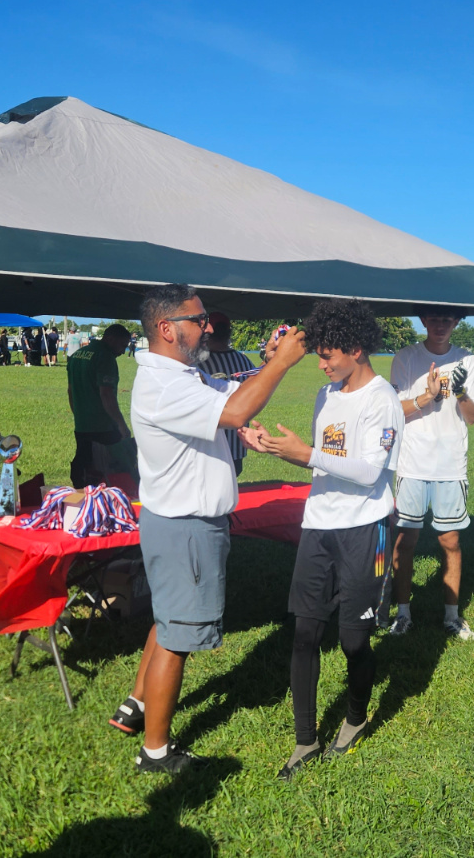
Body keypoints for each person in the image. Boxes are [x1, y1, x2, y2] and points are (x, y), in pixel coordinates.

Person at [110, 284, 307, 774]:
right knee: (178, 637)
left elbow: (229, 396)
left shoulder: (178, 374)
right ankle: (156, 752)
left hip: (176, 523)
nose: (208, 327)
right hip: (187, 528)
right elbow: (236, 410)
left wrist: (265, 366)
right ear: (166, 328)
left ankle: (135, 705)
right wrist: (282, 363)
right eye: (198, 320)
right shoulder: (166, 386)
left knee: (167, 618)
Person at [240, 299, 404, 779]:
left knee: (353, 640)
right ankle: (305, 740)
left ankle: (355, 717)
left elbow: (369, 471)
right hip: (319, 526)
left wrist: (307, 453)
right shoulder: (325, 395)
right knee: (305, 634)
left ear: (356, 349)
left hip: (368, 529)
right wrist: (276, 448)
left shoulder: (383, 399)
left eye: (328, 355)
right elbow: (323, 464)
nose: (321, 364)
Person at [387, 312, 474, 640]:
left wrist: (460, 391)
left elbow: (472, 417)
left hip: (450, 465)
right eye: (434, 319)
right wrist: (427, 397)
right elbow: (393, 411)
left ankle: (452, 617)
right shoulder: (406, 358)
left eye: (448, 320)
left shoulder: (467, 361)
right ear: (424, 321)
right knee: (405, 541)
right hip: (413, 463)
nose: (440, 326)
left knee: (450, 541)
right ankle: (403, 613)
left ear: (456, 323)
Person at [66, 325, 134, 490]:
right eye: (122, 345)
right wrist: (121, 425)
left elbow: (70, 391)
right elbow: (107, 394)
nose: (123, 351)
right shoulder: (105, 357)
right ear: (110, 339)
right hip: (103, 427)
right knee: (109, 474)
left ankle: (83, 498)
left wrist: (78, 415)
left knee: (85, 470)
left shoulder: (77, 355)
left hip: (82, 425)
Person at [198, 312, 259, 476]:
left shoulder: (199, 363)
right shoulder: (243, 360)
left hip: (210, 445)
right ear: (228, 332)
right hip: (237, 443)